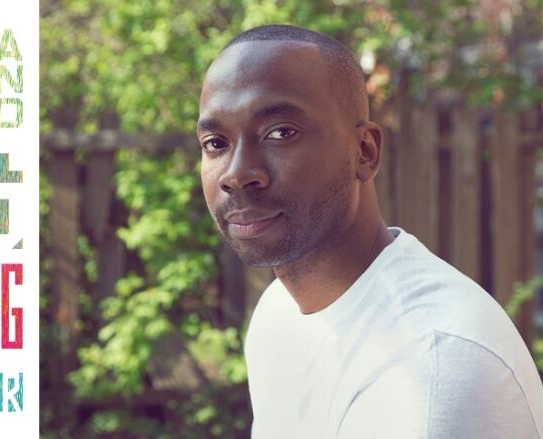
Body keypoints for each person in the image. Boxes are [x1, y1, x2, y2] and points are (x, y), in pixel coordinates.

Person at [197, 24, 543, 438]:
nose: (237, 175)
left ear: (365, 151)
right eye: (216, 143)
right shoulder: (279, 316)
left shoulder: (434, 365)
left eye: (280, 133)